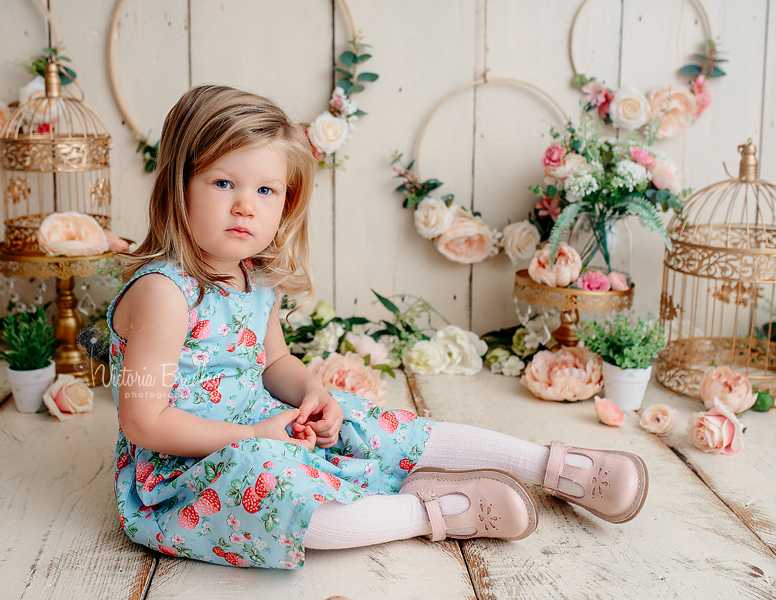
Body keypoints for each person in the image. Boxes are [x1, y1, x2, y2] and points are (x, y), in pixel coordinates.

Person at [107, 85, 649, 570]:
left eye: (267, 191)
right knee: (278, 491)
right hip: (182, 475)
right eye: (224, 183)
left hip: (259, 427)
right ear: (180, 185)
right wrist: (252, 436)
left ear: (286, 202)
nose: (246, 206)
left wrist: (313, 392)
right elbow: (144, 422)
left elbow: (272, 364)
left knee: (365, 418)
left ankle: (553, 467)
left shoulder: (253, 277)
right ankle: (423, 510)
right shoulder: (166, 292)